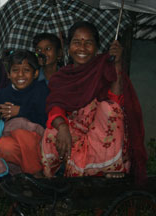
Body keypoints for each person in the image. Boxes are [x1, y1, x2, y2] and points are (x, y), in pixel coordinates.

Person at [41, 21, 147, 183]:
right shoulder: (62, 76)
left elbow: (116, 101)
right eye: (77, 42)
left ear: (97, 47)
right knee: (52, 131)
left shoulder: (104, 67)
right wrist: (62, 127)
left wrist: (117, 63)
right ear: (68, 48)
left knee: (108, 108)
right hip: (75, 136)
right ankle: (66, 172)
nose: (82, 48)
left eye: (88, 43)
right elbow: (55, 106)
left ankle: (109, 166)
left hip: (101, 136)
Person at [0, 50, 49, 177]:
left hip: (38, 143)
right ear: (8, 74)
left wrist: (20, 111)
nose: (20, 75)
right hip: (16, 145)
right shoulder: (1, 95)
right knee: (3, 145)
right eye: (15, 70)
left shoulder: (41, 91)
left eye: (26, 70)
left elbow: (45, 120)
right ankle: (34, 172)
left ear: (35, 74)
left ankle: (33, 173)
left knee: (20, 127)